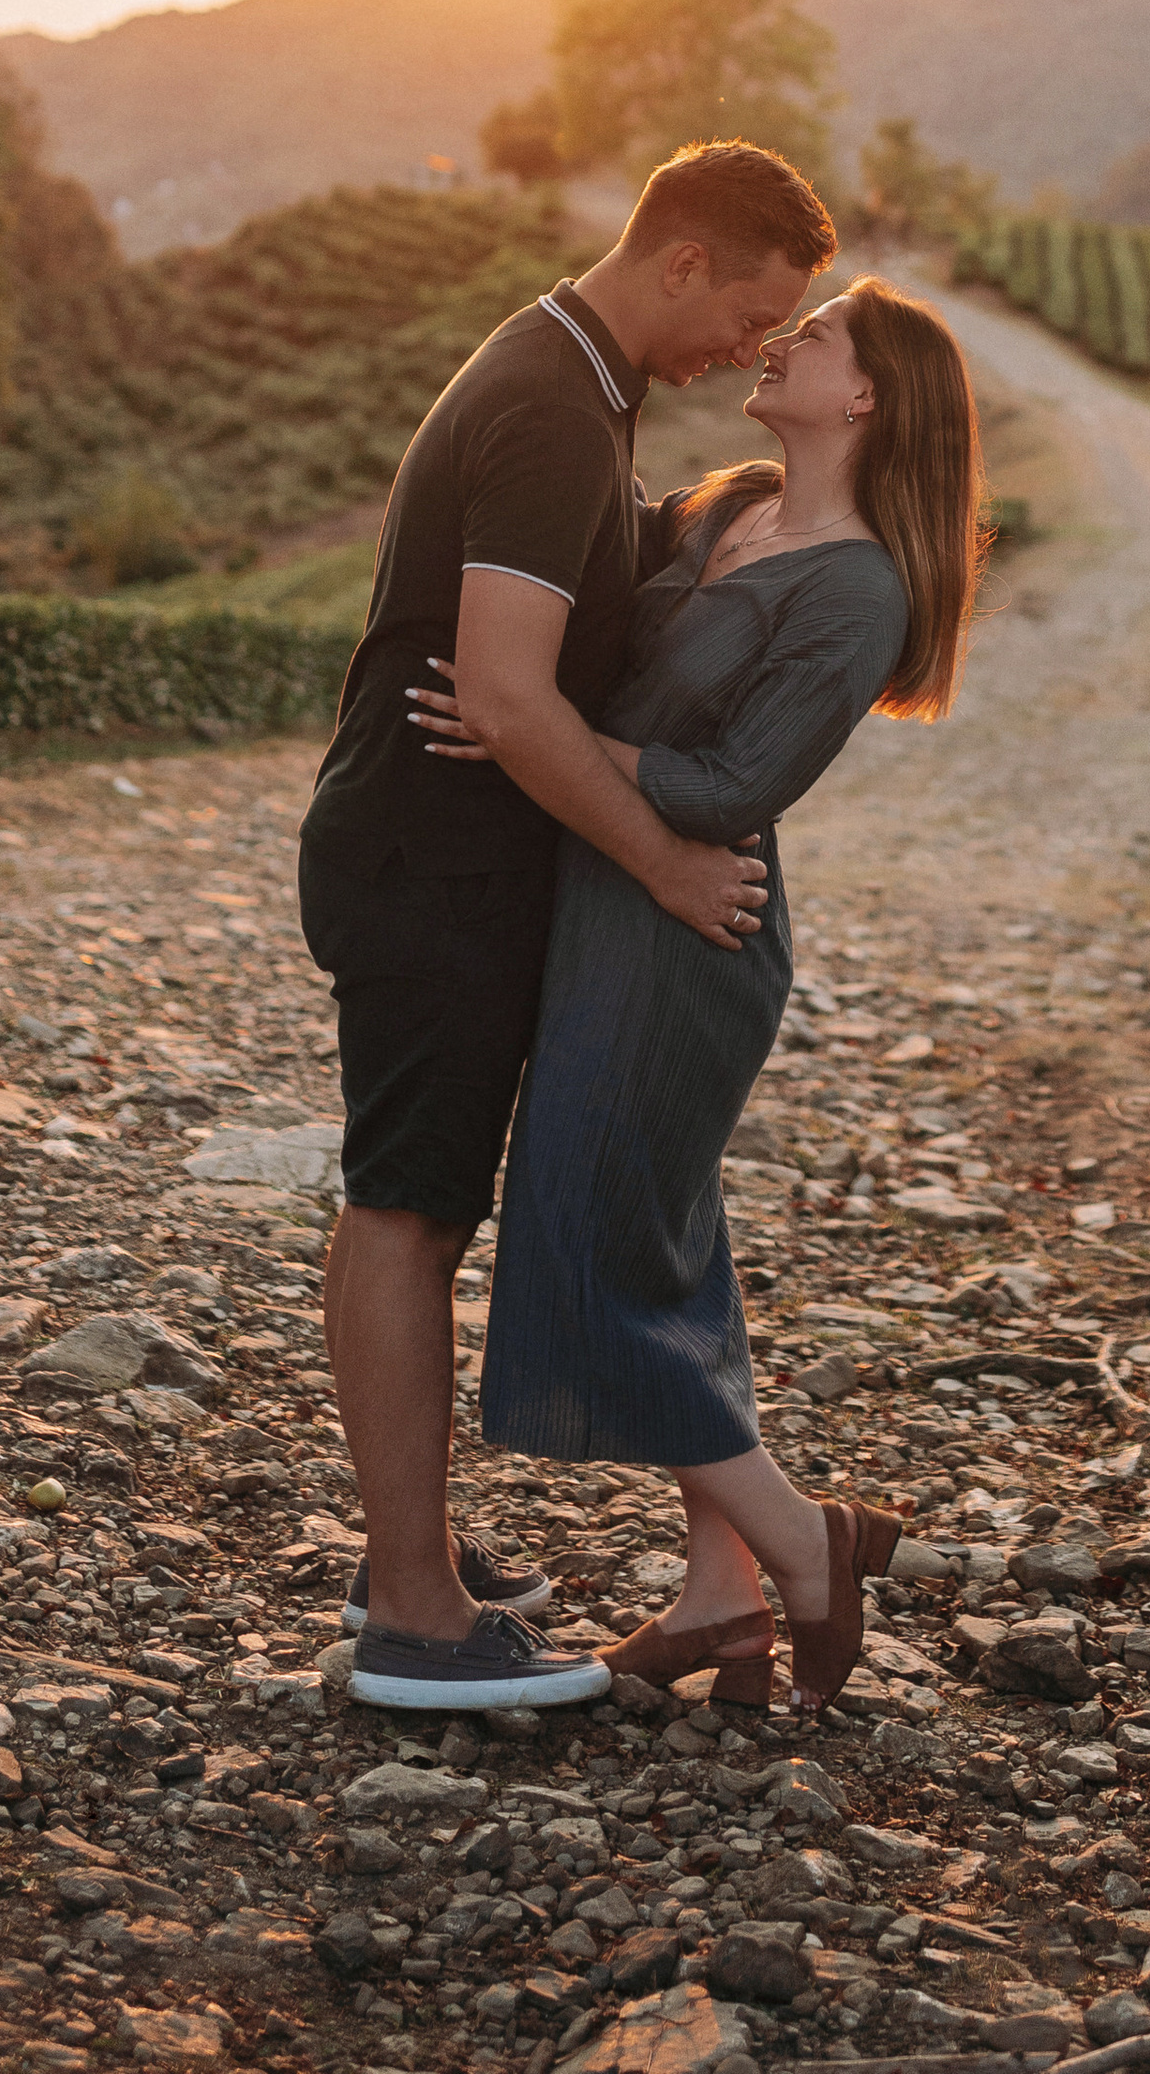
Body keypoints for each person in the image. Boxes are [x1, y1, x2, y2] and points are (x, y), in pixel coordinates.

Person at [298, 137, 838, 1714]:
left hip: (453, 865)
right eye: (752, 311)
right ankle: (410, 1611)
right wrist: (672, 868)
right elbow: (509, 697)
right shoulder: (547, 403)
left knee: (428, 1201)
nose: (752, 347)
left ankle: (422, 1557)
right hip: (427, 865)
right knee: (406, 1203)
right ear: (683, 261)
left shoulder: (578, 390)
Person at [408, 276, 984, 1715]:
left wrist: (540, 731)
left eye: (824, 333)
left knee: (589, 1235)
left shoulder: (862, 589)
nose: (789, 341)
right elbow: (581, 612)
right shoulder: (723, 504)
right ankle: (721, 1596)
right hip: (598, 899)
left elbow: (739, 786)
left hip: (692, 933)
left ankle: (806, 1542)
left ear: (866, 397)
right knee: (659, 1243)